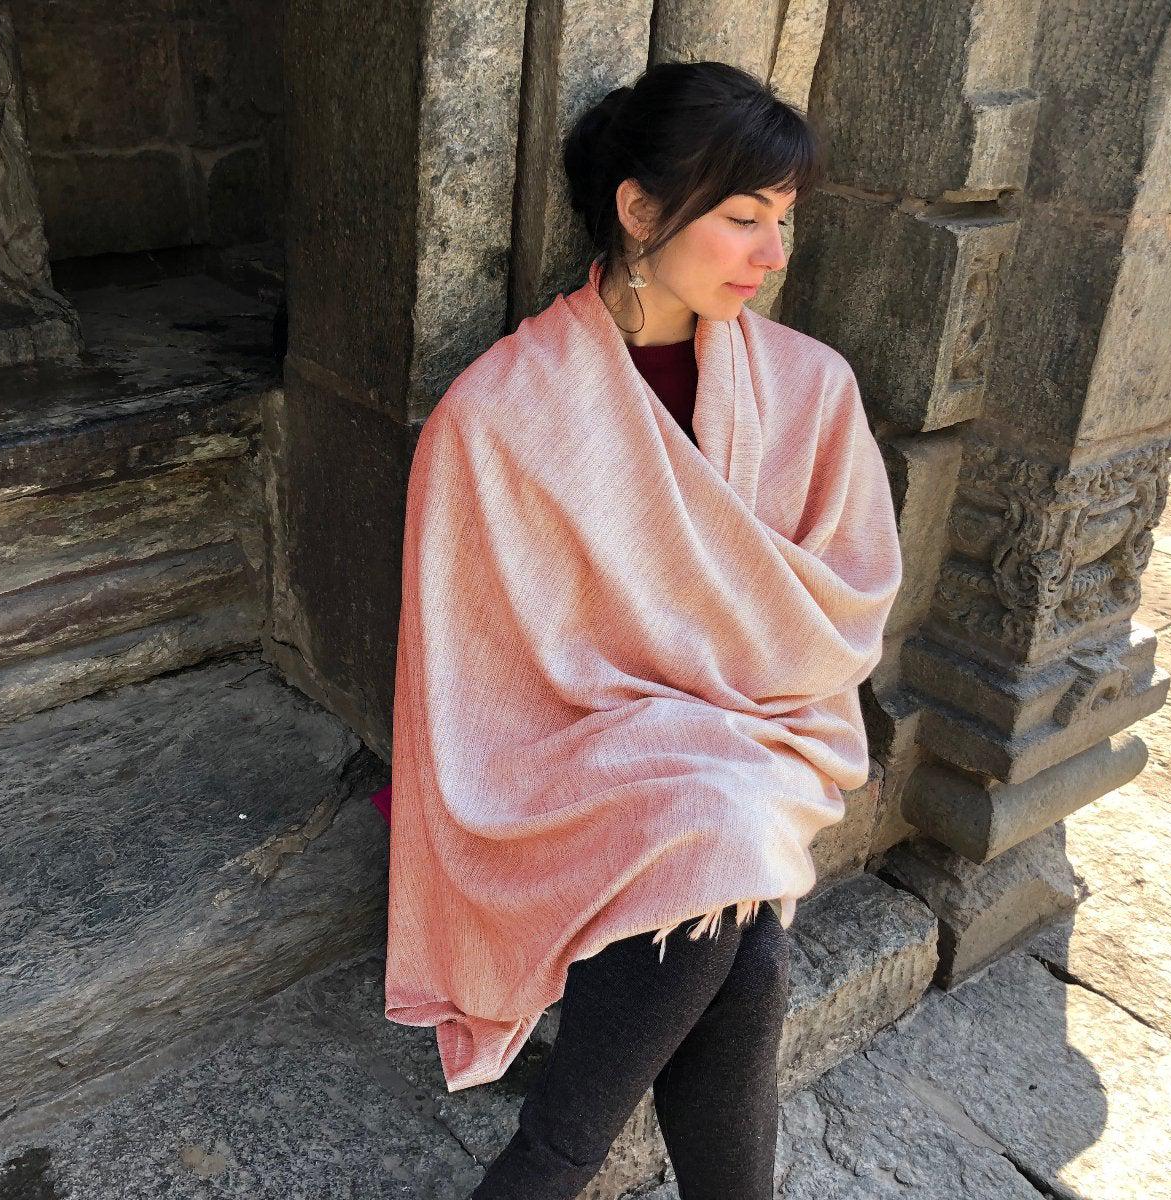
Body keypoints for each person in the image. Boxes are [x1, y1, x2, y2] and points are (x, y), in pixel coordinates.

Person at [382, 61, 903, 1200]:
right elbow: (471, 676)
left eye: (783, 222)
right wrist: (655, 725)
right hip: (561, 754)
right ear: (637, 210)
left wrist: (711, 709)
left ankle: (544, 1170)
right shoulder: (499, 413)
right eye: (741, 218)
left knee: (718, 838)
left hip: (762, 733)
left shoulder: (811, 388)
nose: (772, 255)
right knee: (736, 905)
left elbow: (842, 606)